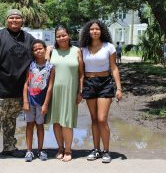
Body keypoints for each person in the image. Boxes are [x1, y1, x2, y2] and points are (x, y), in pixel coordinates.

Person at [0, 9, 35, 163]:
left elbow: (38, 54)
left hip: (19, 90)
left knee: (11, 120)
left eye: (18, 18)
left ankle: (9, 147)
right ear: (6, 20)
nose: (14, 20)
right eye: (11, 18)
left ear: (22, 20)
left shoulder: (28, 38)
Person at [80, 19, 122, 163]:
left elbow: (114, 67)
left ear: (102, 31)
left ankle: (106, 151)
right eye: (91, 29)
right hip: (89, 83)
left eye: (97, 29)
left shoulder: (109, 47)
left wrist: (119, 88)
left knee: (102, 119)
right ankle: (96, 149)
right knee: (93, 119)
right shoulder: (83, 48)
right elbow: (80, 71)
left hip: (105, 83)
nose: (94, 31)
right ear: (88, 31)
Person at [45, 25, 84, 162]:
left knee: (67, 122)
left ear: (69, 35)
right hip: (54, 91)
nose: (61, 38)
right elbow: (44, 70)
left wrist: (80, 92)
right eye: (58, 36)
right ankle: (60, 148)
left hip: (70, 92)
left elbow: (81, 74)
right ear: (55, 37)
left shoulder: (77, 51)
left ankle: (68, 150)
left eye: (64, 35)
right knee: (56, 122)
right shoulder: (51, 51)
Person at [23, 39, 55, 162]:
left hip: (42, 103)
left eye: (40, 48)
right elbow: (26, 84)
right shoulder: (30, 65)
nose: (38, 51)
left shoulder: (50, 67)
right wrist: (25, 101)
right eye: (35, 49)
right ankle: (29, 151)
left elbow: (50, 87)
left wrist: (46, 104)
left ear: (45, 49)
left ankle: (41, 150)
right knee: (29, 125)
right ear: (33, 52)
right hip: (30, 101)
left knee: (40, 126)